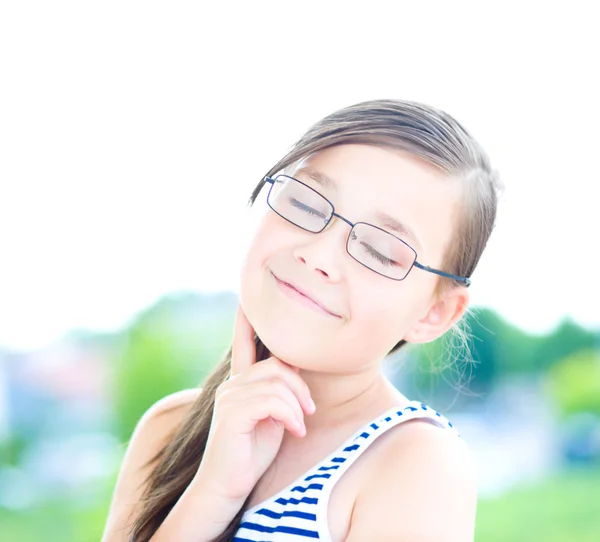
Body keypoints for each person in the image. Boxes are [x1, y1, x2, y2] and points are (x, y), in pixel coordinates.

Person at [101, 99, 501, 542]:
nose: (317, 255)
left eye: (381, 250)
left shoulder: (415, 463)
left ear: (434, 312)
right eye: (307, 205)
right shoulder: (168, 429)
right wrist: (210, 495)